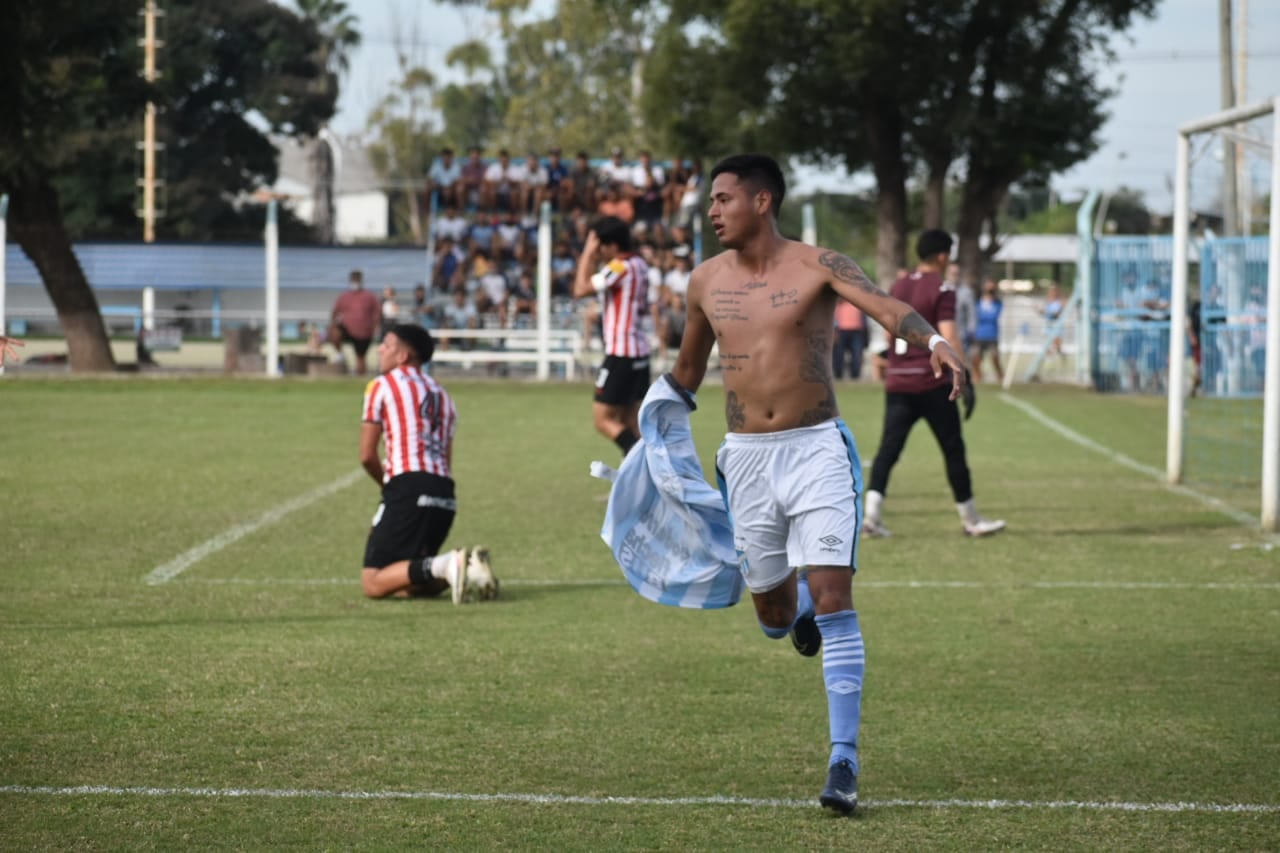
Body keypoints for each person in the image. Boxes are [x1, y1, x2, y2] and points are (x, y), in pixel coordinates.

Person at [667, 154, 968, 815]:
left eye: (723, 199)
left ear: (763, 200)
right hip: (745, 459)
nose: (712, 210)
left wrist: (935, 343)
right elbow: (686, 371)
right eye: (711, 201)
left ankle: (844, 760)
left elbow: (888, 308)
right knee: (775, 619)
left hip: (817, 452)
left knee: (837, 600)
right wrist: (650, 432)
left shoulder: (819, 265)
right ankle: (794, 605)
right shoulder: (703, 281)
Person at [860, 229, 1005, 540]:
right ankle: (971, 519)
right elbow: (949, 335)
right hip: (932, 382)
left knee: (888, 450)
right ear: (942, 255)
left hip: (898, 382)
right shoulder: (942, 288)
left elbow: (889, 332)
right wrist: (963, 374)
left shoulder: (899, 284)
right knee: (953, 449)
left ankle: (871, 516)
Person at [357, 323, 498, 602]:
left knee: (373, 582)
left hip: (409, 485)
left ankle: (447, 563)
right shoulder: (443, 396)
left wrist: (389, 489)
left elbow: (367, 455)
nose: (380, 350)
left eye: (386, 345)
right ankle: (469, 571)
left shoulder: (381, 386)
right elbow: (446, 459)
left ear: (403, 356)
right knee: (406, 584)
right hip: (444, 493)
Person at [573, 215, 652, 457]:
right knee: (630, 421)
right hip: (640, 354)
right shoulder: (639, 263)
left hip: (622, 353)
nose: (599, 251)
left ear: (613, 246)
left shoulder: (620, 266)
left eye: (601, 246)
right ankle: (645, 482)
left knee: (603, 419)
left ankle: (644, 470)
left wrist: (587, 252)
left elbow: (580, 289)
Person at [329, 269, 383, 374]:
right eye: (353, 279)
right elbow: (335, 311)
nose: (355, 282)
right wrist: (333, 324)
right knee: (335, 332)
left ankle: (359, 375)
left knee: (360, 359)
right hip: (347, 330)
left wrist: (376, 327)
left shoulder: (369, 296)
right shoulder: (344, 296)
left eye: (357, 279)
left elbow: (378, 312)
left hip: (364, 332)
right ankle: (340, 355)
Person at [970, 277, 1004, 383]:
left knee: (994, 357)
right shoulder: (978, 302)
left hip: (992, 334)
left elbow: (993, 316)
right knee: (976, 357)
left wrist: (984, 316)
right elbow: (976, 316)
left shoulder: (998, 303)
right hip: (979, 334)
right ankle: (978, 376)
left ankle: (1000, 376)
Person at [831, 298, 866, 380]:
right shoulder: (839, 302)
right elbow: (834, 317)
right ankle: (838, 376)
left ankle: (855, 376)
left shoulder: (858, 302)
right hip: (841, 330)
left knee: (857, 355)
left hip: (857, 330)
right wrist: (835, 330)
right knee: (839, 355)